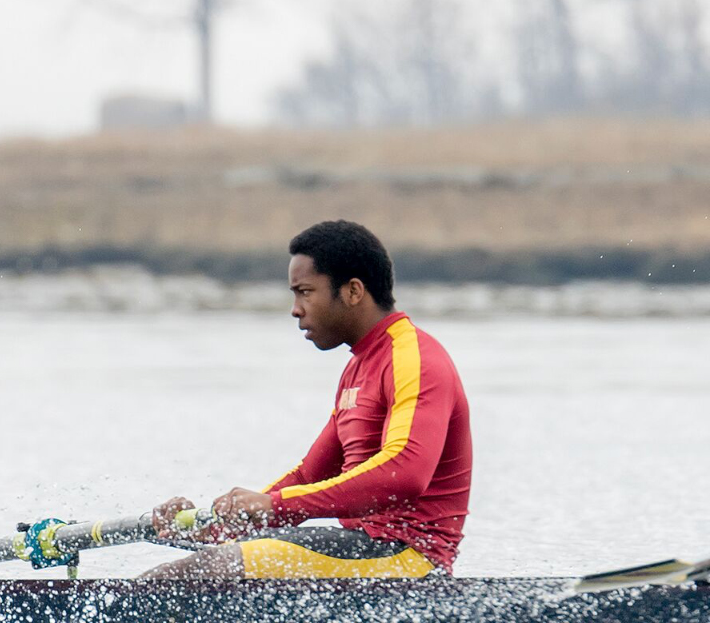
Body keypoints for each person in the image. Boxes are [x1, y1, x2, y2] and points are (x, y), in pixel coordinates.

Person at [145, 220, 472, 579]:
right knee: (210, 557)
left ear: (353, 291)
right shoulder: (358, 369)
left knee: (199, 572)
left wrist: (273, 504)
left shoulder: (415, 359)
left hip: (408, 555)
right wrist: (211, 527)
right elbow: (310, 475)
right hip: (359, 548)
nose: (295, 309)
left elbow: (403, 474)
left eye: (305, 292)